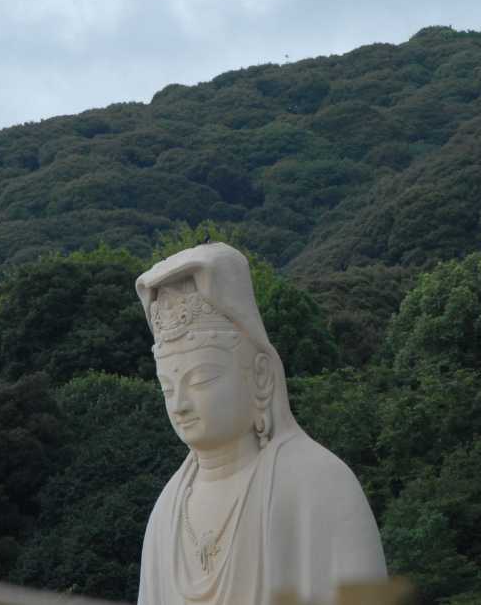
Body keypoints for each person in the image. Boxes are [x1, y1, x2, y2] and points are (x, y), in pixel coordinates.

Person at [135, 242, 387, 605]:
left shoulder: (319, 484)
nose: (180, 404)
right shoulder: (167, 510)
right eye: (167, 387)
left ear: (262, 377)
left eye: (202, 380)